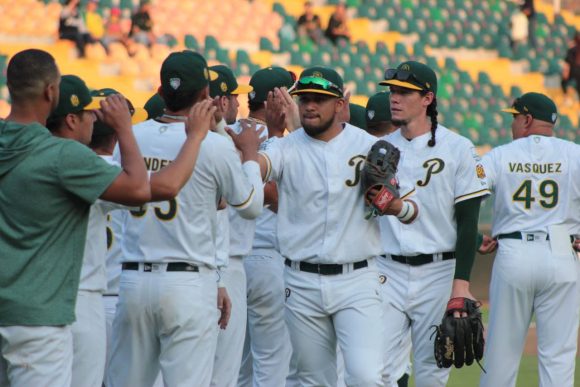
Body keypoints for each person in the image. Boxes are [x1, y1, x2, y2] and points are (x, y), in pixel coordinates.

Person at [107, 50, 265, 387]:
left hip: (133, 278)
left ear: (161, 92)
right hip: (189, 280)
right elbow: (249, 206)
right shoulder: (212, 144)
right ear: (206, 95)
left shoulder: (132, 138)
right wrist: (250, 155)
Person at [255, 66, 415, 386]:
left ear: (340, 104)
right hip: (300, 281)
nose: (310, 105)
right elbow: (259, 167)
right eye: (305, 99)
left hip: (357, 280)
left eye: (320, 99)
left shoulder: (368, 146)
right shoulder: (283, 147)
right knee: (313, 380)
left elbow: (409, 209)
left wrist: (394, 205)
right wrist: (245, 154)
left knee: (367, 377)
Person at [0, 48, 150, 386]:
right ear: (50, 92)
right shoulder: (63, 155)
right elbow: (139, 188)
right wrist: (125, 128)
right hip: (39, 315)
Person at [377, 61, 490, 387]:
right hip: (388, 270)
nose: (394, 98)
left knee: (432, 374)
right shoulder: (381, 147)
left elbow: (469, 220)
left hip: (439, 273)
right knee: (373, 372)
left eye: (404, 92)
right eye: (392, 91)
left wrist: (461, 285)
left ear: (427, 98)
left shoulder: (458, 148)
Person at [478, 92, 580, 387]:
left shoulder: (501, 154)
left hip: (514, 246)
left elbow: (469, 190)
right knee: (559, 357)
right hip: (562, 245)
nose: (513, 123)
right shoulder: (573, 153)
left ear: (527, 119)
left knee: (500, 353)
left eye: (514, 117)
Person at [232, 67, 295, 387]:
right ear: (278, 101)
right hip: (269, 259)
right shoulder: (283, 143)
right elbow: (283, 200)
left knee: (234, 368)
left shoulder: (224, 132)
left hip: (228, 262)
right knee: (271, 366)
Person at [561, 31, 580, 104]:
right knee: (564, 82)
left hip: (577, 70)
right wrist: (566, 70)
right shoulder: (572, 49)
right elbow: (567, 61)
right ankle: (565, 97)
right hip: (572, 69)